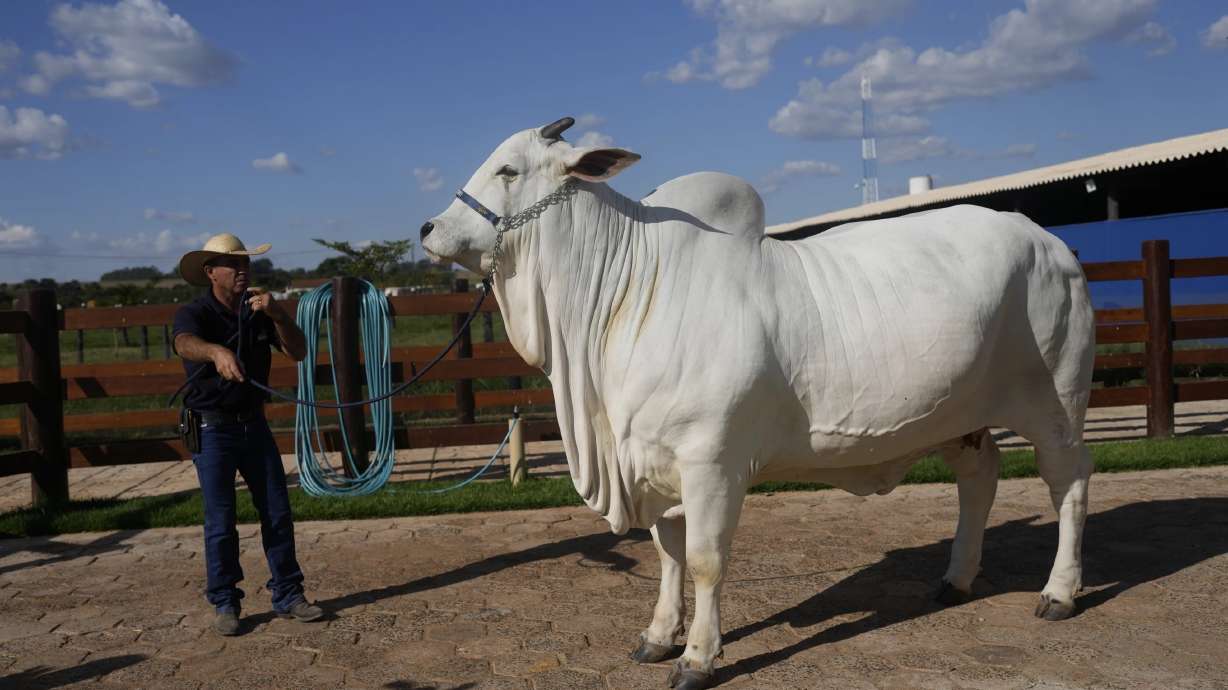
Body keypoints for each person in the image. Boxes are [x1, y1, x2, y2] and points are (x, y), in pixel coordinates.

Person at [172, 233, 324, 636]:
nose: (242, 271)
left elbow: (299, 351)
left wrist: (279, 316)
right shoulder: (195, 313)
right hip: (212, 428)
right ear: (211, 273)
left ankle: (289, 594)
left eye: (245, 264)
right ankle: (225, 601)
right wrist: (216, 352)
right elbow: (184, 343)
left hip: (253, 425)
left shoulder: (259, 311)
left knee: (277, 511)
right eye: (232, 265)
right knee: (221, 520)